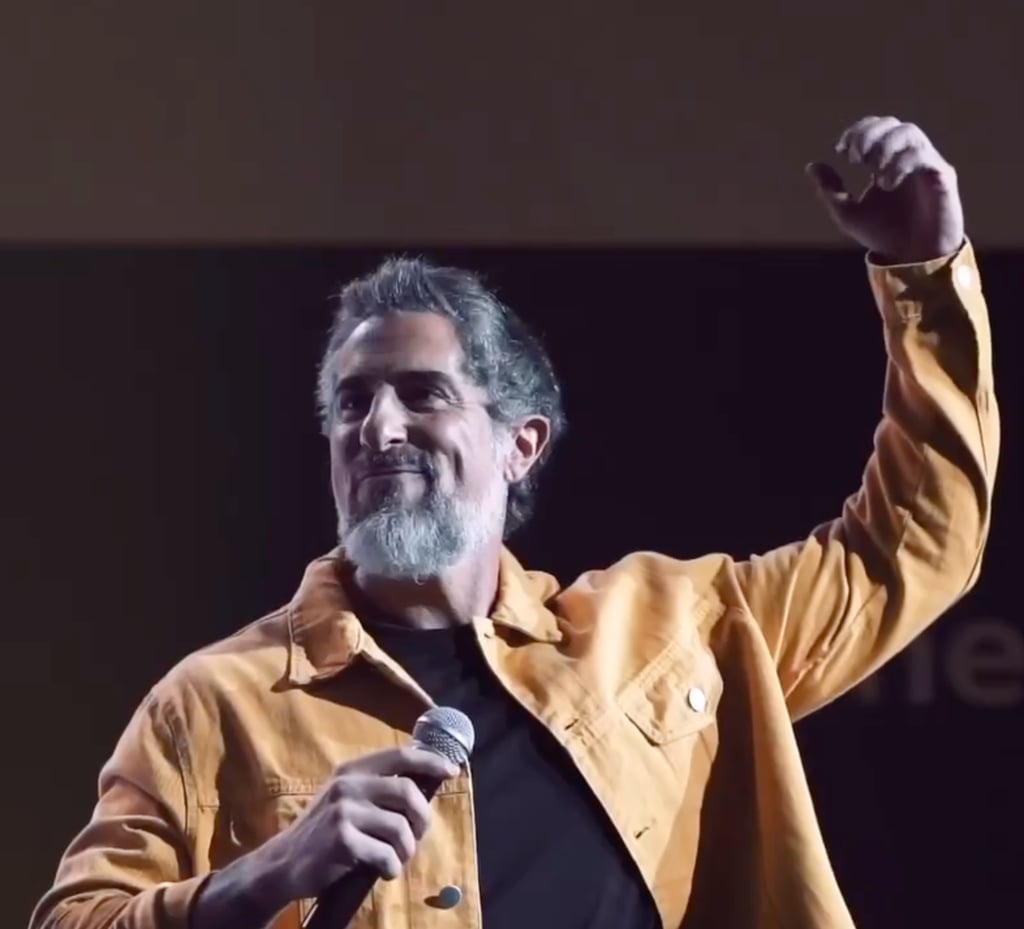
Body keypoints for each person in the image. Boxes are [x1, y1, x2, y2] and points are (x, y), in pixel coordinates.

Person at [30, 115, 998, 929]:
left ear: (520, 443)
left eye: (422, 393)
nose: (378, 427)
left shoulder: (679, 629)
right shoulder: (215, 701)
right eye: (351, 402)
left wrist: (920, 273)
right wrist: (265, 872)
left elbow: (915, 542)